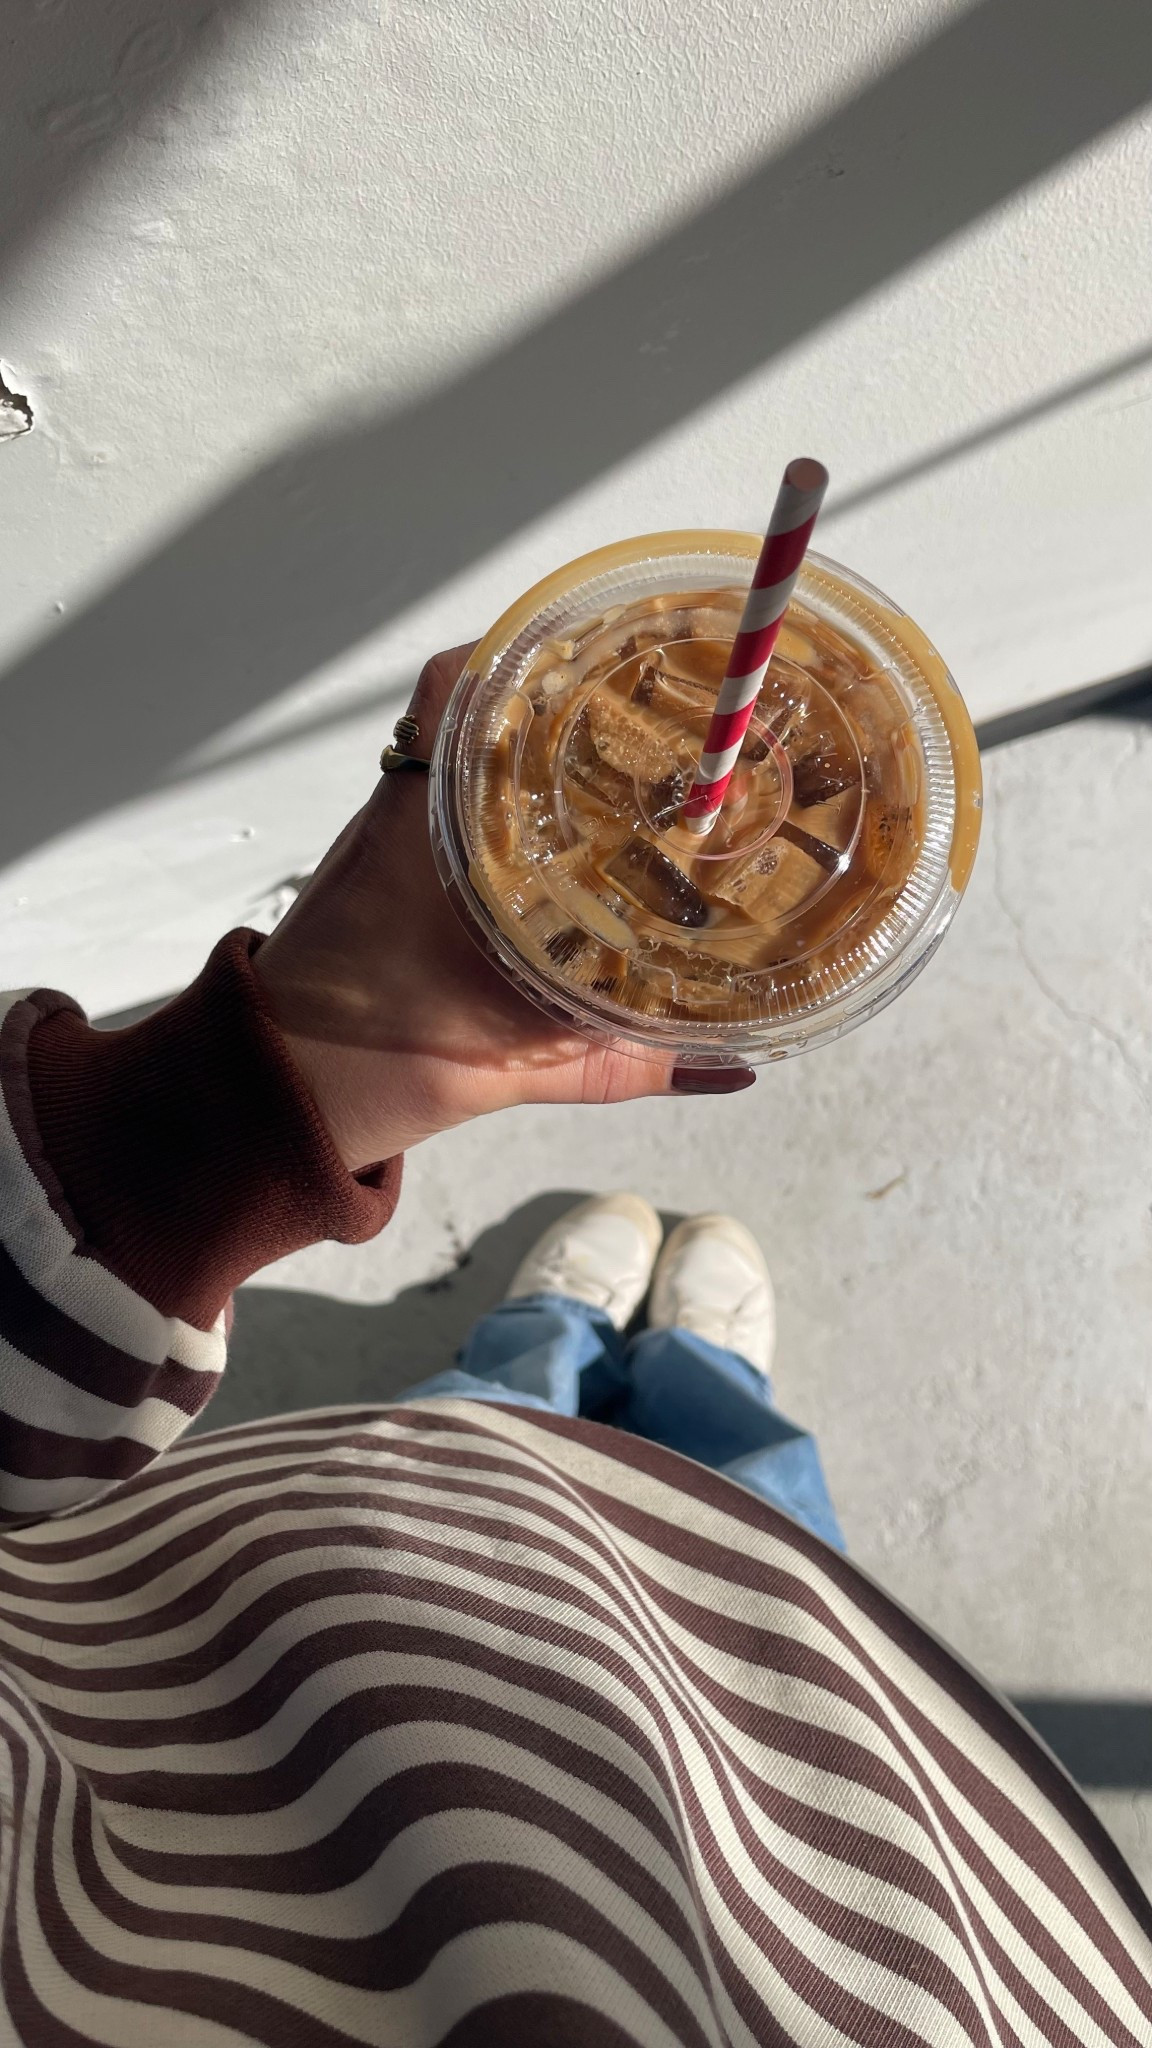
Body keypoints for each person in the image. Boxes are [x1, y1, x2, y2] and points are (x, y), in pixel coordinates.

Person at [0, 646, 1148, 2047]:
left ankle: (540, 1352)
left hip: (365, 1585)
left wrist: (239, 1107)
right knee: (758, 1525)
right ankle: (699, 1385)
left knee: (475, 1449)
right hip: (839, 1801)